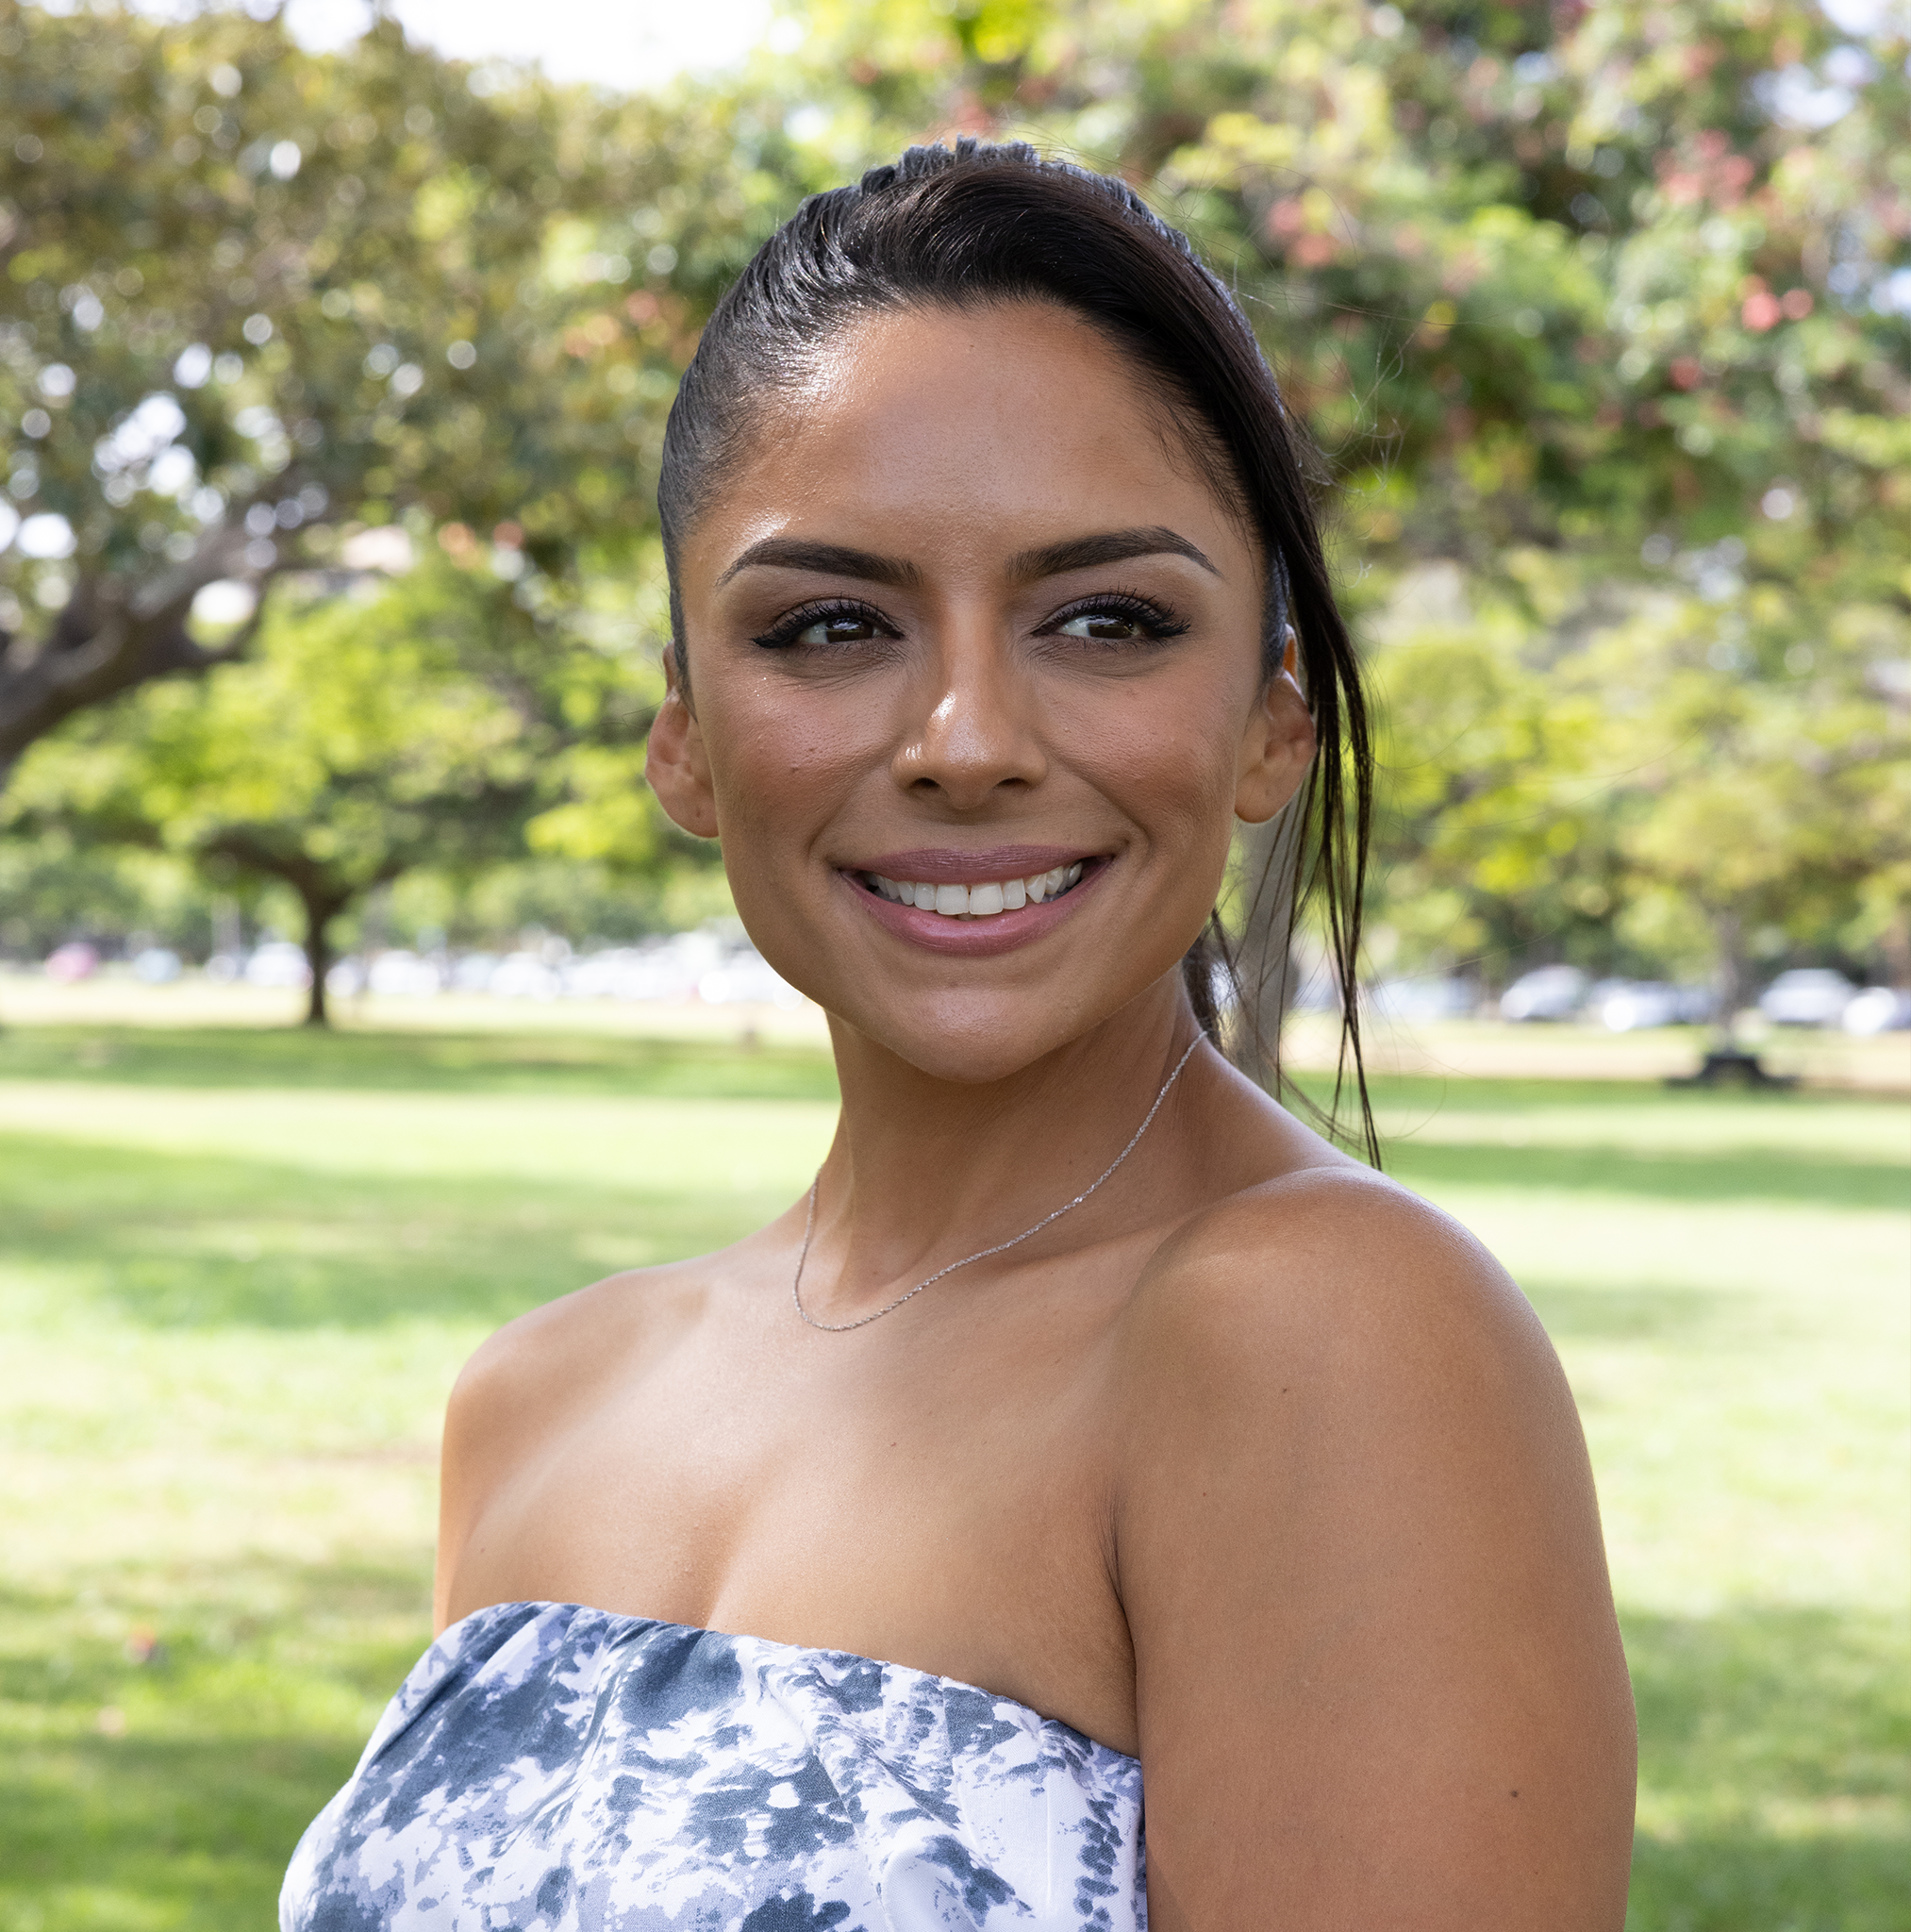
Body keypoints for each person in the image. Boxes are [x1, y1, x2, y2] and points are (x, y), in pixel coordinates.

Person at [282, 140, 1636, 1930]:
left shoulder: (1317, 1333)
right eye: (831, 624)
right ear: (684, 735)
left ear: (1269, 730)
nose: (967, 736)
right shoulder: (534, 1400)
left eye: (1106, 619)